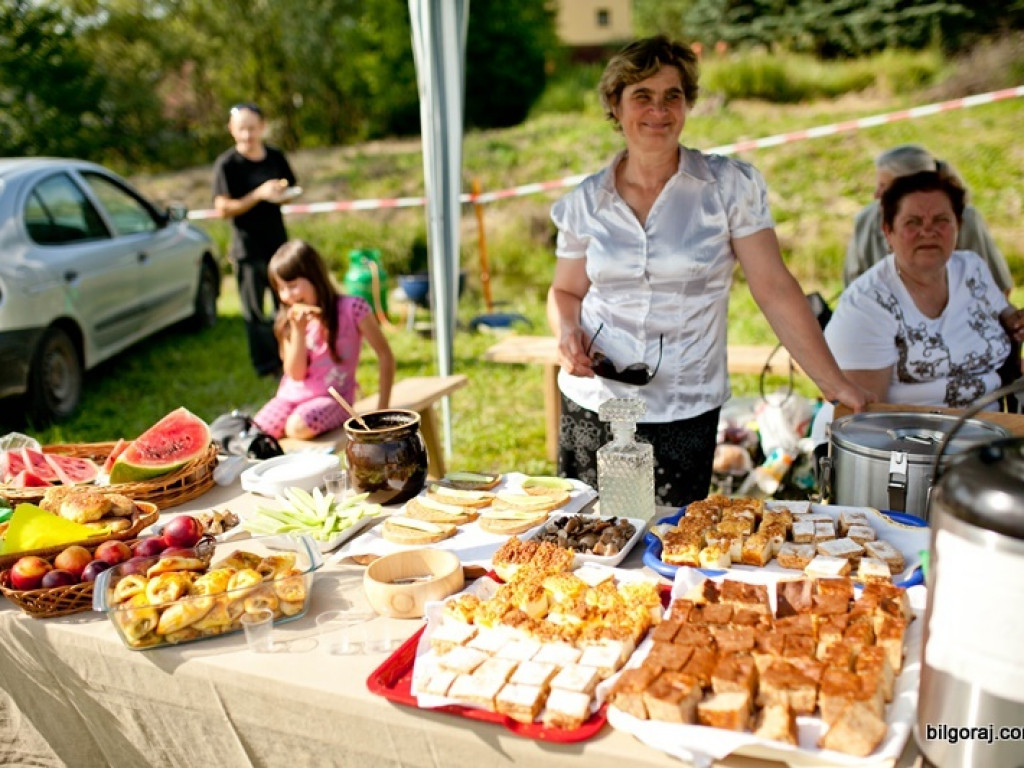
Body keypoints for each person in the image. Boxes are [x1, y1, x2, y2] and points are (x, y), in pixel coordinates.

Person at [546, 35, 871, 508]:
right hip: (595, 402)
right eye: (642, 96)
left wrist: (832, 383)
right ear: (615, 105)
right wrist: (567, 332)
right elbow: (565, 291)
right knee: (592, 542)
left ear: (687, 104)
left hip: (685, 404)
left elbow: (774, 288)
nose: (658, 110)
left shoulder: (728, 188)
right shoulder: (584, 202)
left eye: (671, 96)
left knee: (673, 544)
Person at [825, 169, 1024, 410]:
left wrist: (1015, 321)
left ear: (958, 225)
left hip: (988, 431)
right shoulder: (867, 303)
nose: (928, 231)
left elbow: (1004, 312)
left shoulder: (971, 268)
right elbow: (863, 415)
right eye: (913, 222)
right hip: (905, 438)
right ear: (888, 231)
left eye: (941, 221)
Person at [253, 240, 395, 440]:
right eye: (281, 289)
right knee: (257, 432)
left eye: (292, 286)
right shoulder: (288, 322)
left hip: (334, 399)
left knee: (297, 427)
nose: (287, 296)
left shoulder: (353, 308)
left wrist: (383, 409)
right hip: (290, 397)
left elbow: (385, 355)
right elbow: (295, 374)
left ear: (315, 277)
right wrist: (299, 332)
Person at [843, 144, 1012, 295]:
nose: (876, 195)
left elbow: (998, 287)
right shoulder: (867, 220)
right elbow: (852, 287)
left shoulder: (966, 219)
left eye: (884, 187)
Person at [212, 102, 298, 377]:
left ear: (262, 127)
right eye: (242, 129)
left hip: (278, 245)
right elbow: (223, 208)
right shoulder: (227, 165)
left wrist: (281, 193)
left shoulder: (274, 156)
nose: (248, 135)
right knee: (255, 313)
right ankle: (266, 365)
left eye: (252, 128)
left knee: (285, 307)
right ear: (231, 130)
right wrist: (258, 195)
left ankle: (290, 358)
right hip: (247, 249)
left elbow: (291, 186)